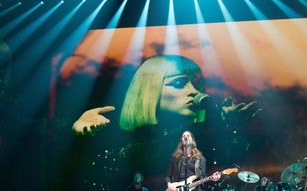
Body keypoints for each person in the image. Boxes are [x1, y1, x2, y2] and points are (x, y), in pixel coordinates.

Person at [72, 54, 261, 136]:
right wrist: (72, 131)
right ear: (149, 90)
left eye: (197, 84)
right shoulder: (118, 136)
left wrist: (228, 126)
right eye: (179, 83)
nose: (195, 92)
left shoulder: (195, 137)